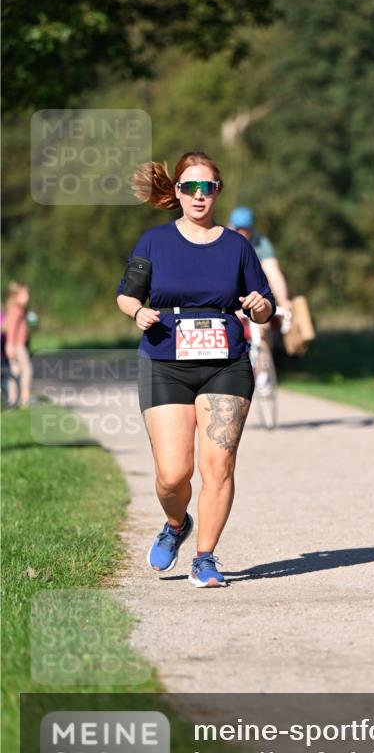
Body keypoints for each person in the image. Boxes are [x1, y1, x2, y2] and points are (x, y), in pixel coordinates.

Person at [116, 151, 275, 589]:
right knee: (172, 475)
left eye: (208, 188)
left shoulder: (237, 246)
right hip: (164, 362)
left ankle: (205, 557)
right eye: (190, 187)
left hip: (225, 365)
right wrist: (137, 314)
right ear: (178, 192)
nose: (199, 196)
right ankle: (174, 524)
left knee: (218, 466)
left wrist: (261, 307)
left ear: (218, 192)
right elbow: (127, 294)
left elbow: (263, 304)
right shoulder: (154, 243)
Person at [228, 206, 291, 314]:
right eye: (239, 229)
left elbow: (273, 273)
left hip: (254, 296)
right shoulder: (223, 241)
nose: (243, 233)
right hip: (230, 297)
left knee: (262, 322)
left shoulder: (261, 244)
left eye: (246, 229)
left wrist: (283, 301)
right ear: (232, 227)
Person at [3, 281, 33, 408]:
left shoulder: (19, 309)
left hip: (17, 344)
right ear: (16, 296)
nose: (28, 297)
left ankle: (12, 399)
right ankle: (25, 398)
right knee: (27, 370)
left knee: (15, 371)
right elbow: (12, 329)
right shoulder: (16, 310)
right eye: (25, 294)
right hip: (17, 345)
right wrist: (9, 345)